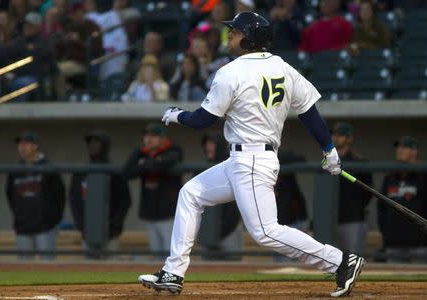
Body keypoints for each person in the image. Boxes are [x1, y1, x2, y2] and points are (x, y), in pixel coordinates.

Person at [138, 12, 364, 297]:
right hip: (242, 160)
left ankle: (340, 261)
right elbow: (309, 111)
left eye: (236, 31)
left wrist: (176, 115)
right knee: (191, 193)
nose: (230, 35)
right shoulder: (283, 67)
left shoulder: (230, 72)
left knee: (265, 232)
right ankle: (173, 271)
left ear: (250, 38)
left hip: (252, 160)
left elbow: (202, 121)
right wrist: (329, 150)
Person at [123, 123, 183, 259]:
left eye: (153, 136)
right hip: (149, 212)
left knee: (171, 254)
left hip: (168, 214)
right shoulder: (141, 151)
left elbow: (158, 167)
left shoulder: (173, 150)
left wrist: (143, 163)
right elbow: (126, 172)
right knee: (156, 255)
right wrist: (149, 162)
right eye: (146, 136)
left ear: (162, 138)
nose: (148, 139)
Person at [70, 130, 131, 257]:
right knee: (89, 270)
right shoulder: (81, 172)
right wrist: (81, 225)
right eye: (90, 143)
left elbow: (124, 201)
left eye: (96, 142)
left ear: (105, 145)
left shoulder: (115, 172)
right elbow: (74, 200)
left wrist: (114, 226)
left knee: (111, 270)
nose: (92, 145)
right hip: (87, 231)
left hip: (111, 233)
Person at [6, 130, 65, 261]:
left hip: (45, 228)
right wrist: (19, 216)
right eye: (20, 144)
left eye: (26, 143)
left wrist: (51, 221)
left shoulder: (49, 168)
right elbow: (10, 196)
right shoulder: (15, 170)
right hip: (23, 227)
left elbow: (60, 197)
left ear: (35, 146)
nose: (22, 147)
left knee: (48, 267)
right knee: (23, 271)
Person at [378, 136, 427, 263]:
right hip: (393, 243)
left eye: (404, 147)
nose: (399, 150)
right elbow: (381, 208)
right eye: (398, 147)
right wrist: (386, 234)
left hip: (419, 245)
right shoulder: (390, 177)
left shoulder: (423, 176)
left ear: (414, 151)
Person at [198, 133, 243, 260]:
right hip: (209, 231)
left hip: (231, 228)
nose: (208, 147)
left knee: (233, 267)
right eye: (206, 144)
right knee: (207, 268)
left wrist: (223, 230)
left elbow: (235, 207)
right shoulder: (203, 168)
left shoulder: (232, 165)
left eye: (211, 144)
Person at [331, 122, 373, 255]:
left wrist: (355, 207)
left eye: (341, 135)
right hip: (331, 219)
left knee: (353, 258)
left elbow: (368, 193)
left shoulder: (360, 162)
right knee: (332, 260)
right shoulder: (329, 160)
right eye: (334, 134)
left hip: (353, 219)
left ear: (349, 138)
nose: (336, 137)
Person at [273, 149, 309, 262]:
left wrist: (275, 159)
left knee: (296, 263)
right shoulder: (251, 161)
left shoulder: (280, 156)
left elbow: (302, 159)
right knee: (281, 262)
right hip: (275, 223)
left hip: (295, 219)